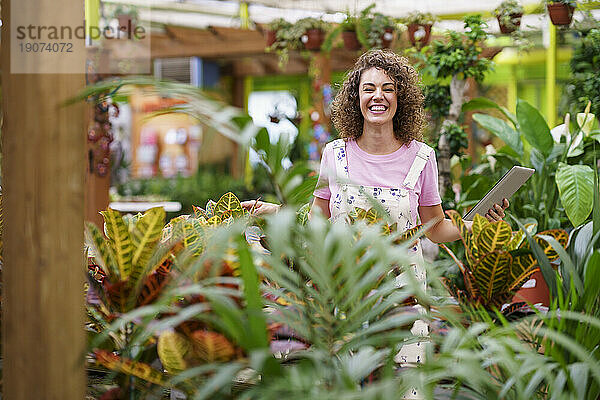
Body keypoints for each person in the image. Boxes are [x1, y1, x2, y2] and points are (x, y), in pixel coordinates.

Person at [243, 49, 509, 400]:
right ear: (356, 98)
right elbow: (316, 220)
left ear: (401, 97)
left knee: (407, 386)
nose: (378, 97)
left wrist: (476, 225)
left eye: (388, 88)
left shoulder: (422, 157)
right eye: (368, 89)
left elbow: (436, 227)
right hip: (344, 294)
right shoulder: (334, 155)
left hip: (404, 295)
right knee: (347, 385)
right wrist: (274, 211)